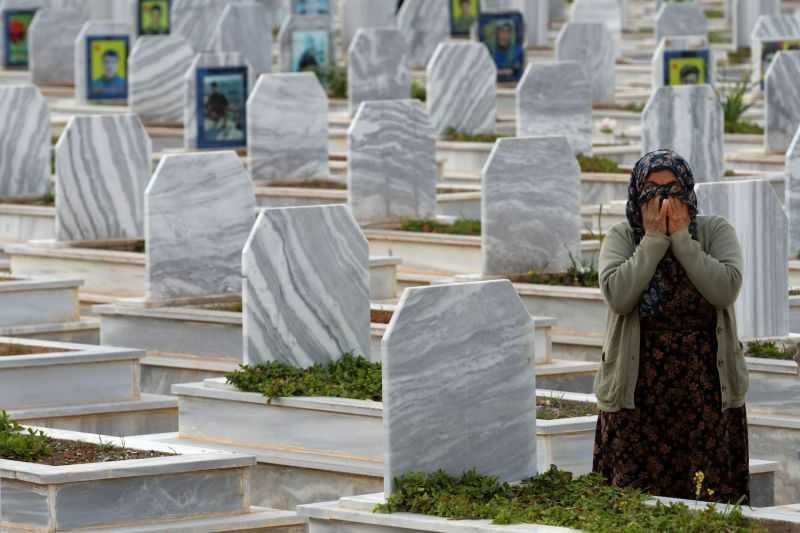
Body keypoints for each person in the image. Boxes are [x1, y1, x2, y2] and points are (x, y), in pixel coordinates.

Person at [592, 149, 750, 504]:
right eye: (651, 189)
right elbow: (618, 295)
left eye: (672, 188)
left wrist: (681, 239)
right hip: (638, 393)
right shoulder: (622, 236)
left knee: (707, 498)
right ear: (636, 192)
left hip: (704, 390)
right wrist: (653, 240)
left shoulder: (714, 231)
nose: (663, 198)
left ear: (688, 190)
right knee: (637, 502)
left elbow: (724, 289)